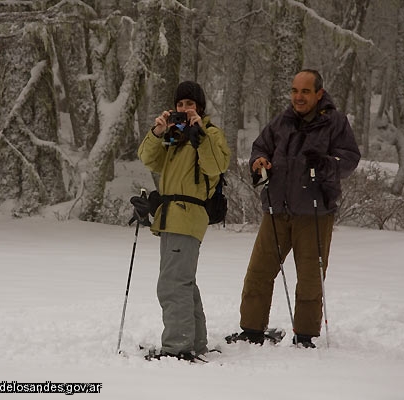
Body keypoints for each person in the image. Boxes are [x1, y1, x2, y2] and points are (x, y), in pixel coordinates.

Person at [229, 69, 360, 348]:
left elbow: (349, 159)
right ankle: (251, 330)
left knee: (311, 276)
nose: (298, 97)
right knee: (259, 272)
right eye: (294, 91)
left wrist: (325, 163)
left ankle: (305, 335)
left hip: (314, 213)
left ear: (319, 94)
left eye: (305, 92)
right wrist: (259, 161)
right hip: (277, 210)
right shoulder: (282, 120)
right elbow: (260, 147)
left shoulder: (335, 123)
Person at [137, 81, 230, 360]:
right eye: (180, 105)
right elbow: (148, 158)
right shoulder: (175, 137)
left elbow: (217, 165)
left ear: (199, 107)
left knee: (172, 283)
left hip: (187, 217)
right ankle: (195, 342)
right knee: (183, 281)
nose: (184, 109)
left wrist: (200, 133)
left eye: (190, 104)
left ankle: (177, 347)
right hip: (170, 217)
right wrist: (158, 131)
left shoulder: (209, 134)